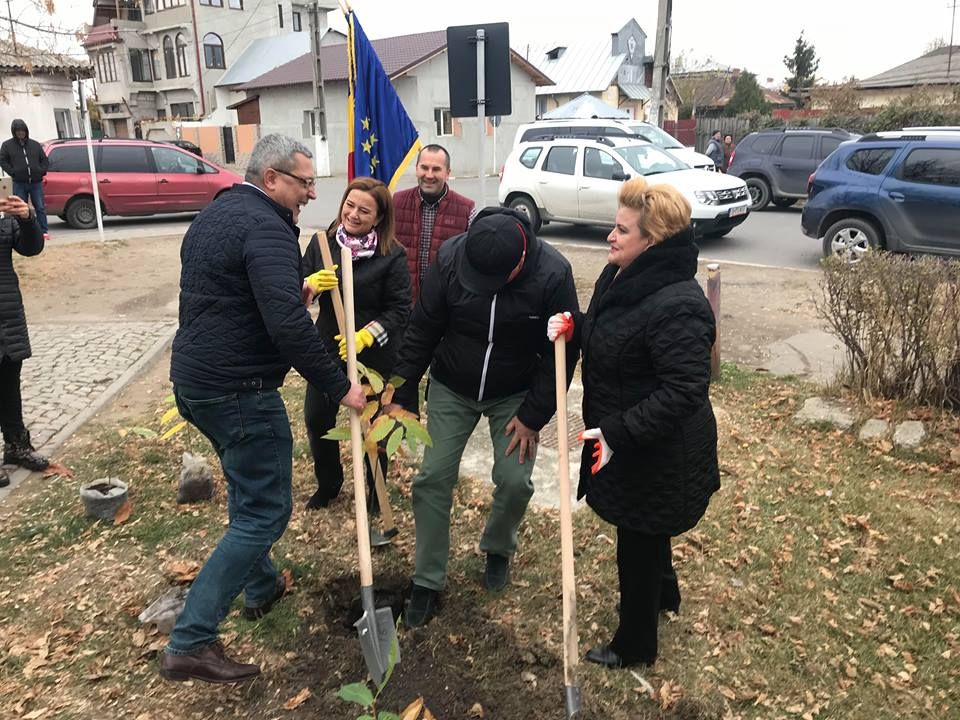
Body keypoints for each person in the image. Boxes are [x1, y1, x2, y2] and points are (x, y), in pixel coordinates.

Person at [161, 134, 366, 684]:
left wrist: (285, 294)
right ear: (271, 178)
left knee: (248, 488)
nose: (310, 194)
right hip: (238, 389)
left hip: (196, 383)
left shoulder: (218, 214)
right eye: (303, 183)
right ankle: (191, 639)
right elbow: (286, 326)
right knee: (265, 511)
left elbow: (229, 295)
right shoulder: (267, 227)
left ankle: (261, 586)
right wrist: (338, 384)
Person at [547, 177, 720, 669]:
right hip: (627, 434)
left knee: (638, 540)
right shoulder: (622, 274)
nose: (611, 237)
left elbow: (684, 391)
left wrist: (617, 432)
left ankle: (636, 643)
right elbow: (614, 327)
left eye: (622, 230)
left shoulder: (678, 304)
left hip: (659, 448)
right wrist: (576, 325)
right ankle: (665, 594)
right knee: (646, 530)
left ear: (653, 240)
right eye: (614, 227)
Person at [385, 206, 579, 627]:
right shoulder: (453, 257)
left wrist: (533, 414)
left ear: (520, 262)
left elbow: (561, 354)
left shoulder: (553, 273)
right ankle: (427, 579)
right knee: (432, 477)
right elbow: (422, 328)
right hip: (452, 384)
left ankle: (497, 547)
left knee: (514, 480)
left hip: (514, 393)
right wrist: (402, 390)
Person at [301, 177, 411, 511]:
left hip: (373, 357)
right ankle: (329, 484)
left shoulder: (392, 255)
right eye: (350, 205)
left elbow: (400, 309)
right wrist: (309, 286)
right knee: (317, 418)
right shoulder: (323, 244)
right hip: (327, 349)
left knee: (374, 426)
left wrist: (366, 335)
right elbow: (297, 288)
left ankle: (376, 490)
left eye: (364, 210)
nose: (354, 214)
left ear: (378, 218)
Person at [0, 194, 50, 487]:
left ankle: (17, 446)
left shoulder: (5, 215)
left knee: (9, 383)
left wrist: (27, 218)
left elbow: (32, 248)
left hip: (7, 313)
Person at [393, 144, 475, 301]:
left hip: (445, 306)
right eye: (424, 167)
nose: (429, 175)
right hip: (403, 304)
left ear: (447, 173)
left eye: (436, 169)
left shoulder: (467, 210)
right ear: (416, 168)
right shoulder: (396, 203)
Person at [0, 120, 49, 240]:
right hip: (19, 183)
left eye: (23, 131)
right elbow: (2, 160)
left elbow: (44, 160)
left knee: (40, 207)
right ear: (14, 132)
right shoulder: (7, 145)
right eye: (18, 131)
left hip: (36, 182)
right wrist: (13, 172)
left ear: (26, 131)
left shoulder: (35, 144)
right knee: (19, 208)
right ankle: (21, 232)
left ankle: (43, 231)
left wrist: (41, 171)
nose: (21, 133)